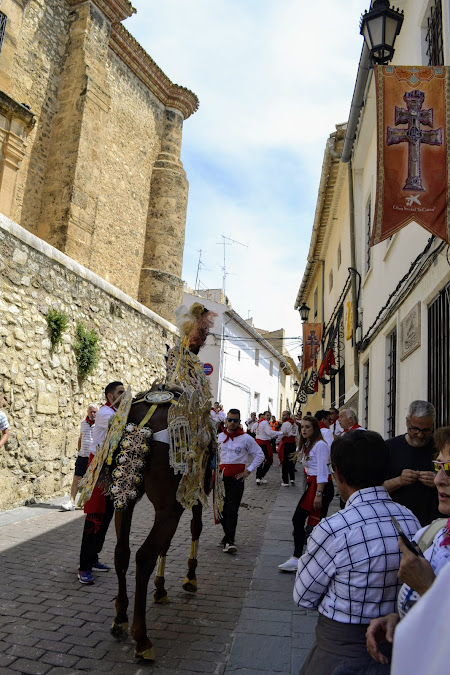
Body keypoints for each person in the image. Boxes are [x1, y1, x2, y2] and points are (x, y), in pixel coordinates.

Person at [292, 430, 420, 675]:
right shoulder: (409, 517)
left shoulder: (333, 528)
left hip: (342, 647)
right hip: (398, 643)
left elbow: (304, 596)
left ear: (338, 474)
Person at [366, 425, 450, 671]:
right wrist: (400, 619)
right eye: (438, 466)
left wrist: (427, 587)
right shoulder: (433, 534)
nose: (438, 480)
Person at [78, 381, 125, 585]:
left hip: (109, 469)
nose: (124, 396)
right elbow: (123, 425)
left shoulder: (114, 411)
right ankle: (84, 567)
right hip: (99, 469)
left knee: (105, 517)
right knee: (95, 516)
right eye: (120, 392)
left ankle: (94, 558)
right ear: (110, 396)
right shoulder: (107, 414)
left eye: (125, 392)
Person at [278, 415, 334, 572]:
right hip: (313, 484)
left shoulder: (320, 445)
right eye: (302, 427)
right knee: (306, 522)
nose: (303, 429)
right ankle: (302, 557)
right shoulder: (308, 444)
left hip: (320, 485)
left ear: (315, 429)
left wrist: (318, 493)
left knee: (305, 521)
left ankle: (302, 558)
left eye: (307, 427)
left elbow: (323, 470)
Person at [384, 400, 439, 526]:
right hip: (397, 525)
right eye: (415, 429)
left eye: (426, 430)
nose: (420, 435)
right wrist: (399, 481)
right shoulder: (389, 448)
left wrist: (439, 481)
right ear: (407, 422)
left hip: (434, 526)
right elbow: (376, 489)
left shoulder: (441, 448)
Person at [218, 408, 264, 553]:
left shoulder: (246, 439)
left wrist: (248, 471)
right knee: (220, 511)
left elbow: (260, 455)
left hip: (237, 480)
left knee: (232, 509)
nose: (232, 423)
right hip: (220, 480)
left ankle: (230, 541)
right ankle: (227, 536)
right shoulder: (218, 437)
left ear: (239, 421)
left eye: (235, 421)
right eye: (230, 420)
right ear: (225, 420)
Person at [62, 404, 98, 511]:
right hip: (82, 456)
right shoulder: (83, 423)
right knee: (76, 478)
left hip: (94, 457)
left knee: (92, 481)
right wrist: (80, 451)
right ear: (87, 412)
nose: (92, 414)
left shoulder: (100, 425)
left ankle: (89, 502)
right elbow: (80, 438)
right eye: (91, 412)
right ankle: (71, 502)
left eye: (94, 412)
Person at [255, 410, 281, 485]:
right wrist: (281, 433)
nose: (269, 417)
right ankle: (260, 476)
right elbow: (269, 432)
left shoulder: (259, 422)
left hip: (259, 442)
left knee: (261, 460)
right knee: (268, 460)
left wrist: (271, 435)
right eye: (267, 415)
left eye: (270, 415)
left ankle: (259, 477)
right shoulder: (265, 423)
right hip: (264, 443)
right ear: (264, 416)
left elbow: (255, 430)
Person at [277, 410, 299, 486]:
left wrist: (277, 441)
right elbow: (297, 436)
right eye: (282, 415)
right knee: (291, 461)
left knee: (285, 462)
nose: (282, 417)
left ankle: (285, 481)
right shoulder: (295, 425)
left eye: (284, 415)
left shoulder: (285, 424)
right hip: (293, 444)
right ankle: (292, 478)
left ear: (288, 415)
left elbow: (281, 434)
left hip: (286, 444)